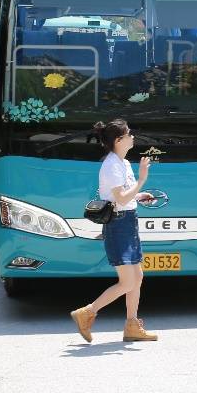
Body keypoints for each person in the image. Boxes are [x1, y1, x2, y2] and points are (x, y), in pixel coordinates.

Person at [69, 119, 158, 343]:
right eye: (129, 134)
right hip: (118, 225)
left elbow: (123, 196)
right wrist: (142, 180)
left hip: (128, 221)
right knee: (128, 282)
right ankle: (87, 312)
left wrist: (139, 195)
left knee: (137, 277)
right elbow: (121, 198)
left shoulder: (123, 163)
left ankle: (132, 326)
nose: (132, 137)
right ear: (119, 140)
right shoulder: (111, 165)